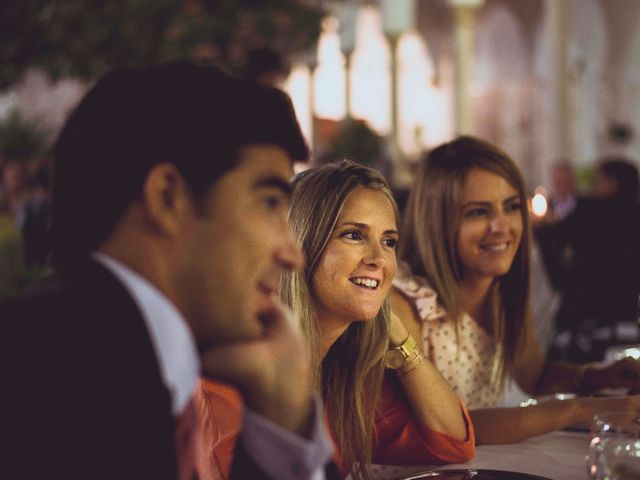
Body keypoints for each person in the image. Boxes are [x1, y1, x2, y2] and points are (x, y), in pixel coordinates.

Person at [0, 63, 336, 479]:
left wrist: (283, 421)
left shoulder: (112, 362)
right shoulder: (36, 383)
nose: (292, 253)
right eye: (269, 203)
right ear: (167, 197)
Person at [392, 136, 640, 445]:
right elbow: (445, 427)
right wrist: (585, 408)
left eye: (511, 207)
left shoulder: (498, 293)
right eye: (478, 212)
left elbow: (530, 377)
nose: (502, 226)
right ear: (436, 220)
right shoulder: (405, 305)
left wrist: (598, 376)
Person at [279, 160, 475, 478]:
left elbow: (453, 443)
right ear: (300, 246)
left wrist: (397, 334)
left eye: (389, 242)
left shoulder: (345, 379)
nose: (378, 259)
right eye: (353, 235)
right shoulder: (240, 379)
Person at [537, 157, 640, 362]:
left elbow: (552, 239)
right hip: (626, 317)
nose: (594, 186)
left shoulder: (590, 210)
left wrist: (560, 280)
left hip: (584, 319)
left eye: (598, 180)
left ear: (612, 182)